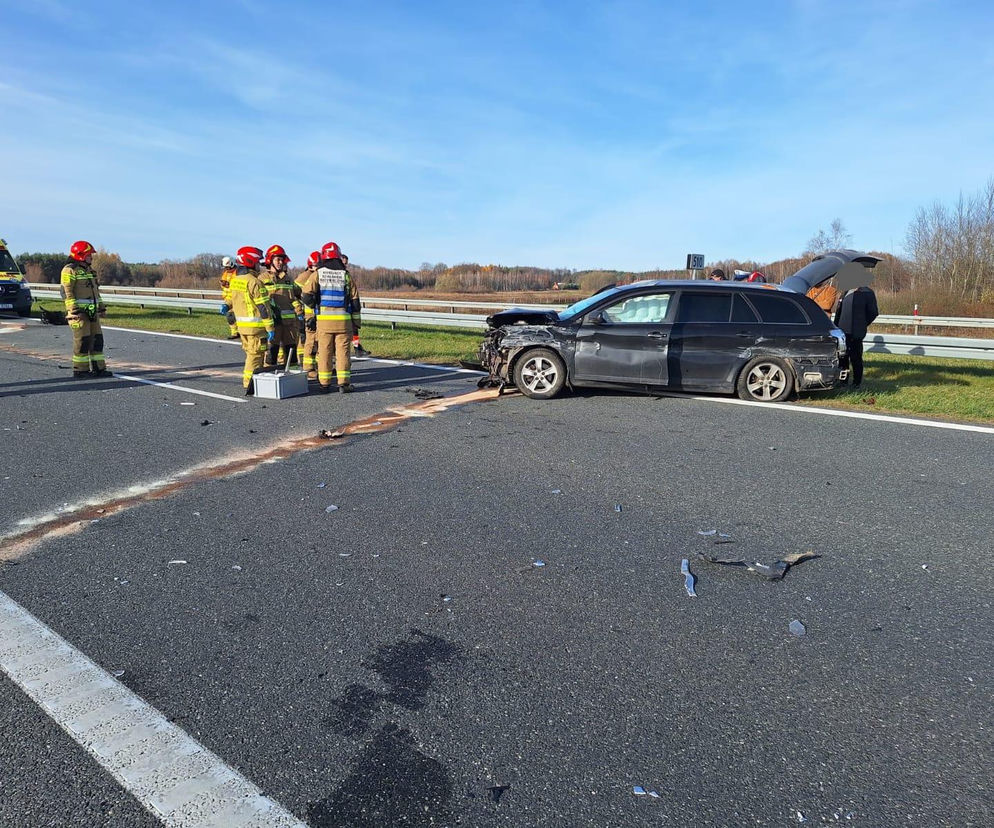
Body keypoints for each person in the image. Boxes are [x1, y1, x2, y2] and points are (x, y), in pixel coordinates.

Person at [300, 241, 362, 393]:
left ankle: (324, 384)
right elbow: (355, 301)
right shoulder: (346, 276)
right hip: (343, 323)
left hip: (324, 322)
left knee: (325, 352)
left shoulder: (317, 274)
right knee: (343, 353)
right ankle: (343, 384)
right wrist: (356, 322)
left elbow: (306, 295)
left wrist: (316, 309)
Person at [229, 246, 275, 395]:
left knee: (250, 354)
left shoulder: (235, 280)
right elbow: (263, 307)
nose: (259, 266)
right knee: (255, 356)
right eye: (257, 262)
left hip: (242, 327)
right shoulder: (254, 282)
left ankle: (253, 381)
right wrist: (270, 328)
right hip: (256, 328)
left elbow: (232, 300)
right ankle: (249, 384)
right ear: (250, 262)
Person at [60, 240, 110, 378]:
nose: (91, 258)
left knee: (97, 341)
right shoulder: (69, 270)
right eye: (89, 255)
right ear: (80, 255)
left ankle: (99, 368)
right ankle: (80, 370)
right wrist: (73, 308)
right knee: (83, 342)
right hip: (79, 314)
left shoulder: (89, 271)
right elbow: (66, 291)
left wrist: (101, 308)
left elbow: (96, 292)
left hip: (92, 313)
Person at [261, 244, 304, 368]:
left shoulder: (288, 279)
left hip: (289, 324)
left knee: (292, 352)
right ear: (270, 260)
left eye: (282, 260)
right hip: (273, 324)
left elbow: (295, 297)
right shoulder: (262, 279)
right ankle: (269, 379)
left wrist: (300, 311)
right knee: (271, 353)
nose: (280, 262)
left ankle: (293, 378)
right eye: (277, 259)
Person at [834, 284, 878, 388]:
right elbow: (839, 311)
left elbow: (873, 312)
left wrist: (862, 323)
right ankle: (843, 381)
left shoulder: (867, 292)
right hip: (842, 331)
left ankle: (856, 383)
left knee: (856, 358)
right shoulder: (846, 291)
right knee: (843, 357)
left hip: (856, 332)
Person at [295, 251, 321, 380]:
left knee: (319, 341)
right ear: (311, 265)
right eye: (317, 265)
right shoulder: (304, 276)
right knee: (311, 341)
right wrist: (300, 311)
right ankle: (308, 368)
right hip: (309, 314)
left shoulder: (319, 275)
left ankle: (319, 366)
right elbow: (296, 294)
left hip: (318, 314)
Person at [342, 253, 370, 356]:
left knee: (354, 328)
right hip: (339, 307)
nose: (345, 266)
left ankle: (357, 348)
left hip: (348, 305)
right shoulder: (336, 275)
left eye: (346, 264)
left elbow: (353, 290)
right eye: (344, 263)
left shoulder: (347, 275)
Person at [218, 256, 239, 339]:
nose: (227, 268)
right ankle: (234, 333)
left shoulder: (238, 273)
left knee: (237, 316)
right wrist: (223, 284)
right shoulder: (226, 273)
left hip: (236, 297)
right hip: (228, 298)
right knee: (230, 316)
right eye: (225, 267)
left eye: (228, 267)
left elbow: (238, 285)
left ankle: (241, 332)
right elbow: (224, 284)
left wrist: (228, 284)